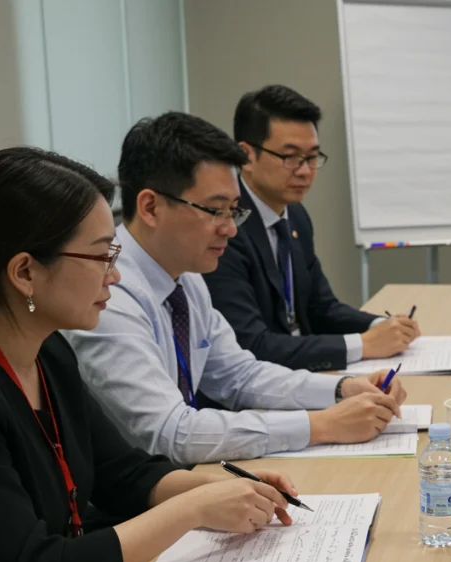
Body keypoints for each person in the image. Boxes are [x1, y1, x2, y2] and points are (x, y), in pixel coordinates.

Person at [0, 147, 300, 562]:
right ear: (25, 272)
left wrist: (223, 490)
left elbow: (124, 474)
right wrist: (195, 508)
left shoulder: (49, 354)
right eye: (101, 256)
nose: (114, 275)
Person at [63, 112, 407, 466]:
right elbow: (171, 433)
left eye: (233, 211)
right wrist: (321, 425)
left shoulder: (185, 276)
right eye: (215, 211)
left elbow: (239, 375)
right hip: (139, 489)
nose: (230, 229)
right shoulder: (108, 295)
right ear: (151, 207)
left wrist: (341, 389)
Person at [204, 85, 419, 372]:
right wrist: (363, 344)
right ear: (247, 156)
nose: (305, 171)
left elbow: (321, 308)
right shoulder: (225, 228)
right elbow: (251, 344)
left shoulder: (295, 216)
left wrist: (381, 326)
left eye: (312, 157)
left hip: (302, 373)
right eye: (290, 157)